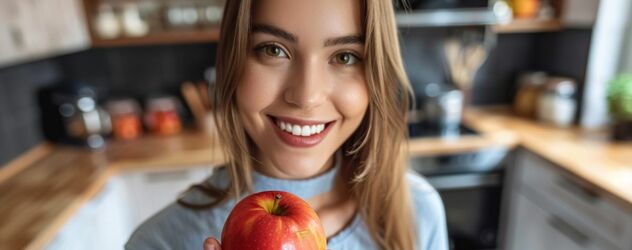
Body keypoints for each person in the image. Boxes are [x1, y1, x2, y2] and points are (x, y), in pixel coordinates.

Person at [125, 0, 448, 249]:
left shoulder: (417, 212)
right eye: (273, 49)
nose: (306, 96)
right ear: (231, 62)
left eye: (346, 56)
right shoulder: (158, 242)